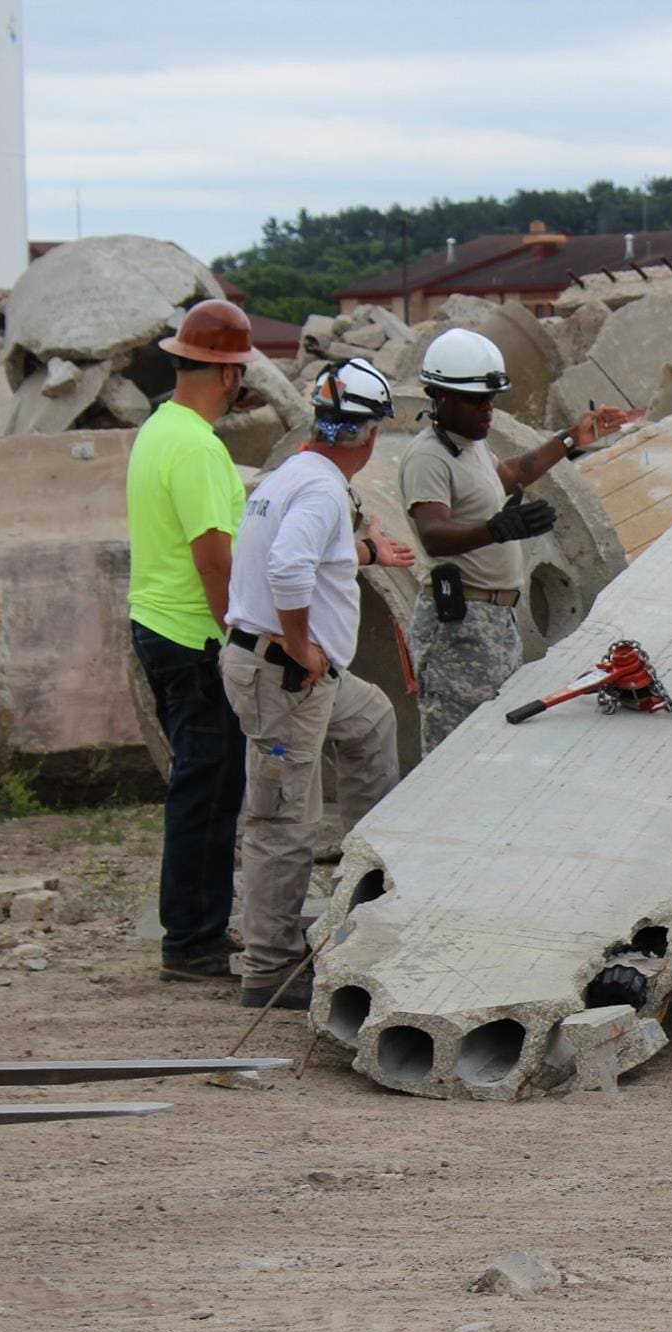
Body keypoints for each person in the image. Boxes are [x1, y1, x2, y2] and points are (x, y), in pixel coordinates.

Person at [220, 358, 416, 1008]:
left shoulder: (298, 475)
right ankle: (270, 967)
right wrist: (302, 644)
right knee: (281, 818)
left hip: (298, 677)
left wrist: (368, 553)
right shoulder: (320, 489)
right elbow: (288, 567)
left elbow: (318, 551)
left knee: (370, 721)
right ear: (368, 435)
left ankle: (361, 899)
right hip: (286, 680)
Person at [398, 328, 638, 751]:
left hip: (494, 618)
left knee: (490, 742)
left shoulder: (467, 445)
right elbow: (434, 534)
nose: (487, 410)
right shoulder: (428, 457)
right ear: (441, 397)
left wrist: (570, 439)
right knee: (454, 751)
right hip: (461, 626)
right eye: (476, 400)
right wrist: (498, 528)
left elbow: (510, 475)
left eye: (492, 399)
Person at [126, 299, 257, 985]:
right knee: (209, 789)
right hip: (195, 636)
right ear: (230, 373)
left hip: (157, 623)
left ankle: (195, 928)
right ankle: (194, 940)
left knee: (198, 784)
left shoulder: (159, 428)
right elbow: (215, 558)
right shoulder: (200, 449)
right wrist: (237, 640)